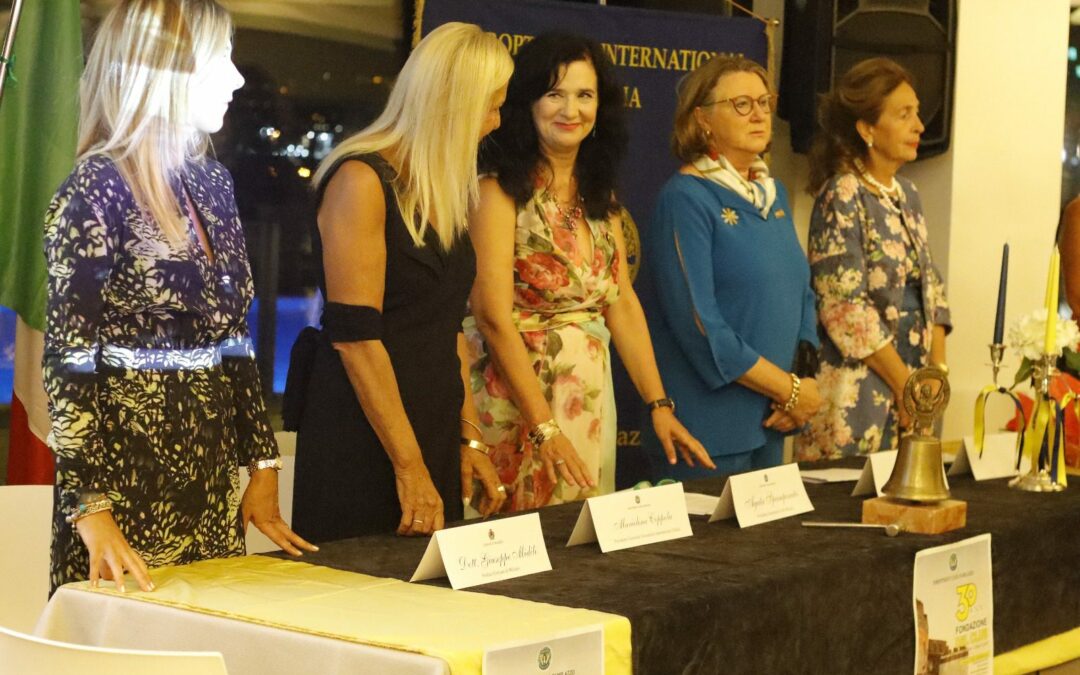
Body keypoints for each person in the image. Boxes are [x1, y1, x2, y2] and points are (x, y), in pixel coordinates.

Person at [43, 0, 314, 594]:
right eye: (221, 60)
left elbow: (233, 338)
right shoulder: (96, 188)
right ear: (163, 70)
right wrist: (90, 510)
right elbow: (67, 359)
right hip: (123, 489)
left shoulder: (212, 183)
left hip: (209, 481)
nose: (237, 79)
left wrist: (262, 463)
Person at [465, 33, 711, 512]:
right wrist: (544, 427)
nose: (571, 110)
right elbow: (491, 315)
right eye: (554, 93)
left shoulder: (600, 196)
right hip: (513, 405)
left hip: (587, 400)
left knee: (579, 544)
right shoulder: (496, 190)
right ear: (527, 101)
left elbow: (622, 304)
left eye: (584, 95)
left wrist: (659, 405)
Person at [285, 23, 512, 542]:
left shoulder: (440, 189)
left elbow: (447, 327)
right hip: (363, 436)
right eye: (490, 107)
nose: (495, 123)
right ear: (454, 104)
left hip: (429, 427)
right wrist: (409, 467)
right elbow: (356, 340)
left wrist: (469, 438)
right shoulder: (361, 180)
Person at [640, 55, 822, 477]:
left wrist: (804, 379)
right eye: (741, 104)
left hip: (773, 420)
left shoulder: (773, 193)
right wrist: (791, 390)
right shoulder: (686, 198)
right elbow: (700, 325)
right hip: (707, 431)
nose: (759, 114)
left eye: (764, 102)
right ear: (702, 119)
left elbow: (802, 294)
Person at [797, 57, 951, 460]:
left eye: (917, 112)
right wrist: (904, 386)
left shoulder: (908, 194)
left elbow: (932, 288)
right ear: (866, 128)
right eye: (904, 115)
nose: (919, 126)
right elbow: (844, 307)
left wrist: (935, 375)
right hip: (858, 392)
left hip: (914, 387)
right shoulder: (843, 193)